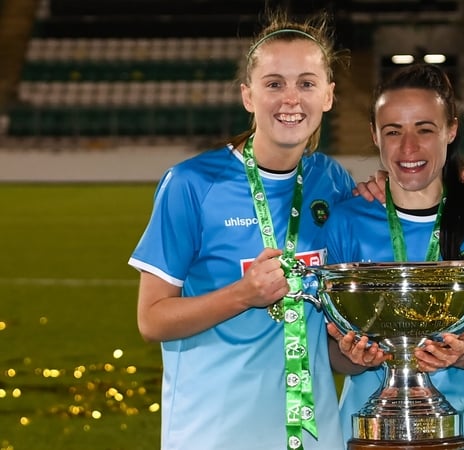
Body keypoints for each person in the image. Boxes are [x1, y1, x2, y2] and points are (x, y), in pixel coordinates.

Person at [127, 10, 354, 450]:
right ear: (248, 96)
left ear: (328, 95)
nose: (291, 99)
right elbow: (151, 319)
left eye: (306, 83)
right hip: (214, 433)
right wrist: (243, 295)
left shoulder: (333, 182)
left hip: (313, 435)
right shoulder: (193, 184)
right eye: (274, 84)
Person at [323, 63, 464, 449]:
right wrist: (355, 357)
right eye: (393, 131)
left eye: (425, 129)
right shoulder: (346, 220)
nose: (408, 148)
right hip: (372, 430)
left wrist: (462, 355)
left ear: (451, 130)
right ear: (375, 135)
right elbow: (330, 351)